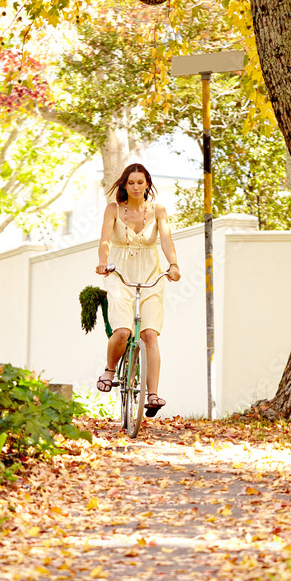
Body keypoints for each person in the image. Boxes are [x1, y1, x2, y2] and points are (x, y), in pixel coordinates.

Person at [95, 163, 180, 416]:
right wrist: (103, 262)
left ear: (147, 184)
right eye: (130, 182)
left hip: (151, 274)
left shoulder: (158, 211)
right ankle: (110, 370)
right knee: (122, 332)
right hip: (119, 273)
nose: (135, 187)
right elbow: (105, 240)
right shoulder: (113, 209)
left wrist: (173, 265)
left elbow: (166, 240)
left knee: (149, 335)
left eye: (140, 182)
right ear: (124, 184)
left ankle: (152, 394)